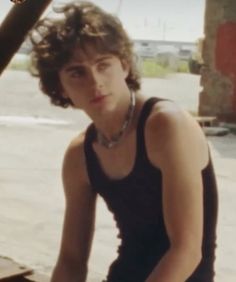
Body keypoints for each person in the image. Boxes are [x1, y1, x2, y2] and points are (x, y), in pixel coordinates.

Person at [30, 1, 218, 281]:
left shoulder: (166, 125)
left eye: (103, 65)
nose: (96, 82)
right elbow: (71, 261)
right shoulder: (80, 155)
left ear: (125, 65)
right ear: (60, 87)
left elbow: (187, 250)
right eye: (77, 72)